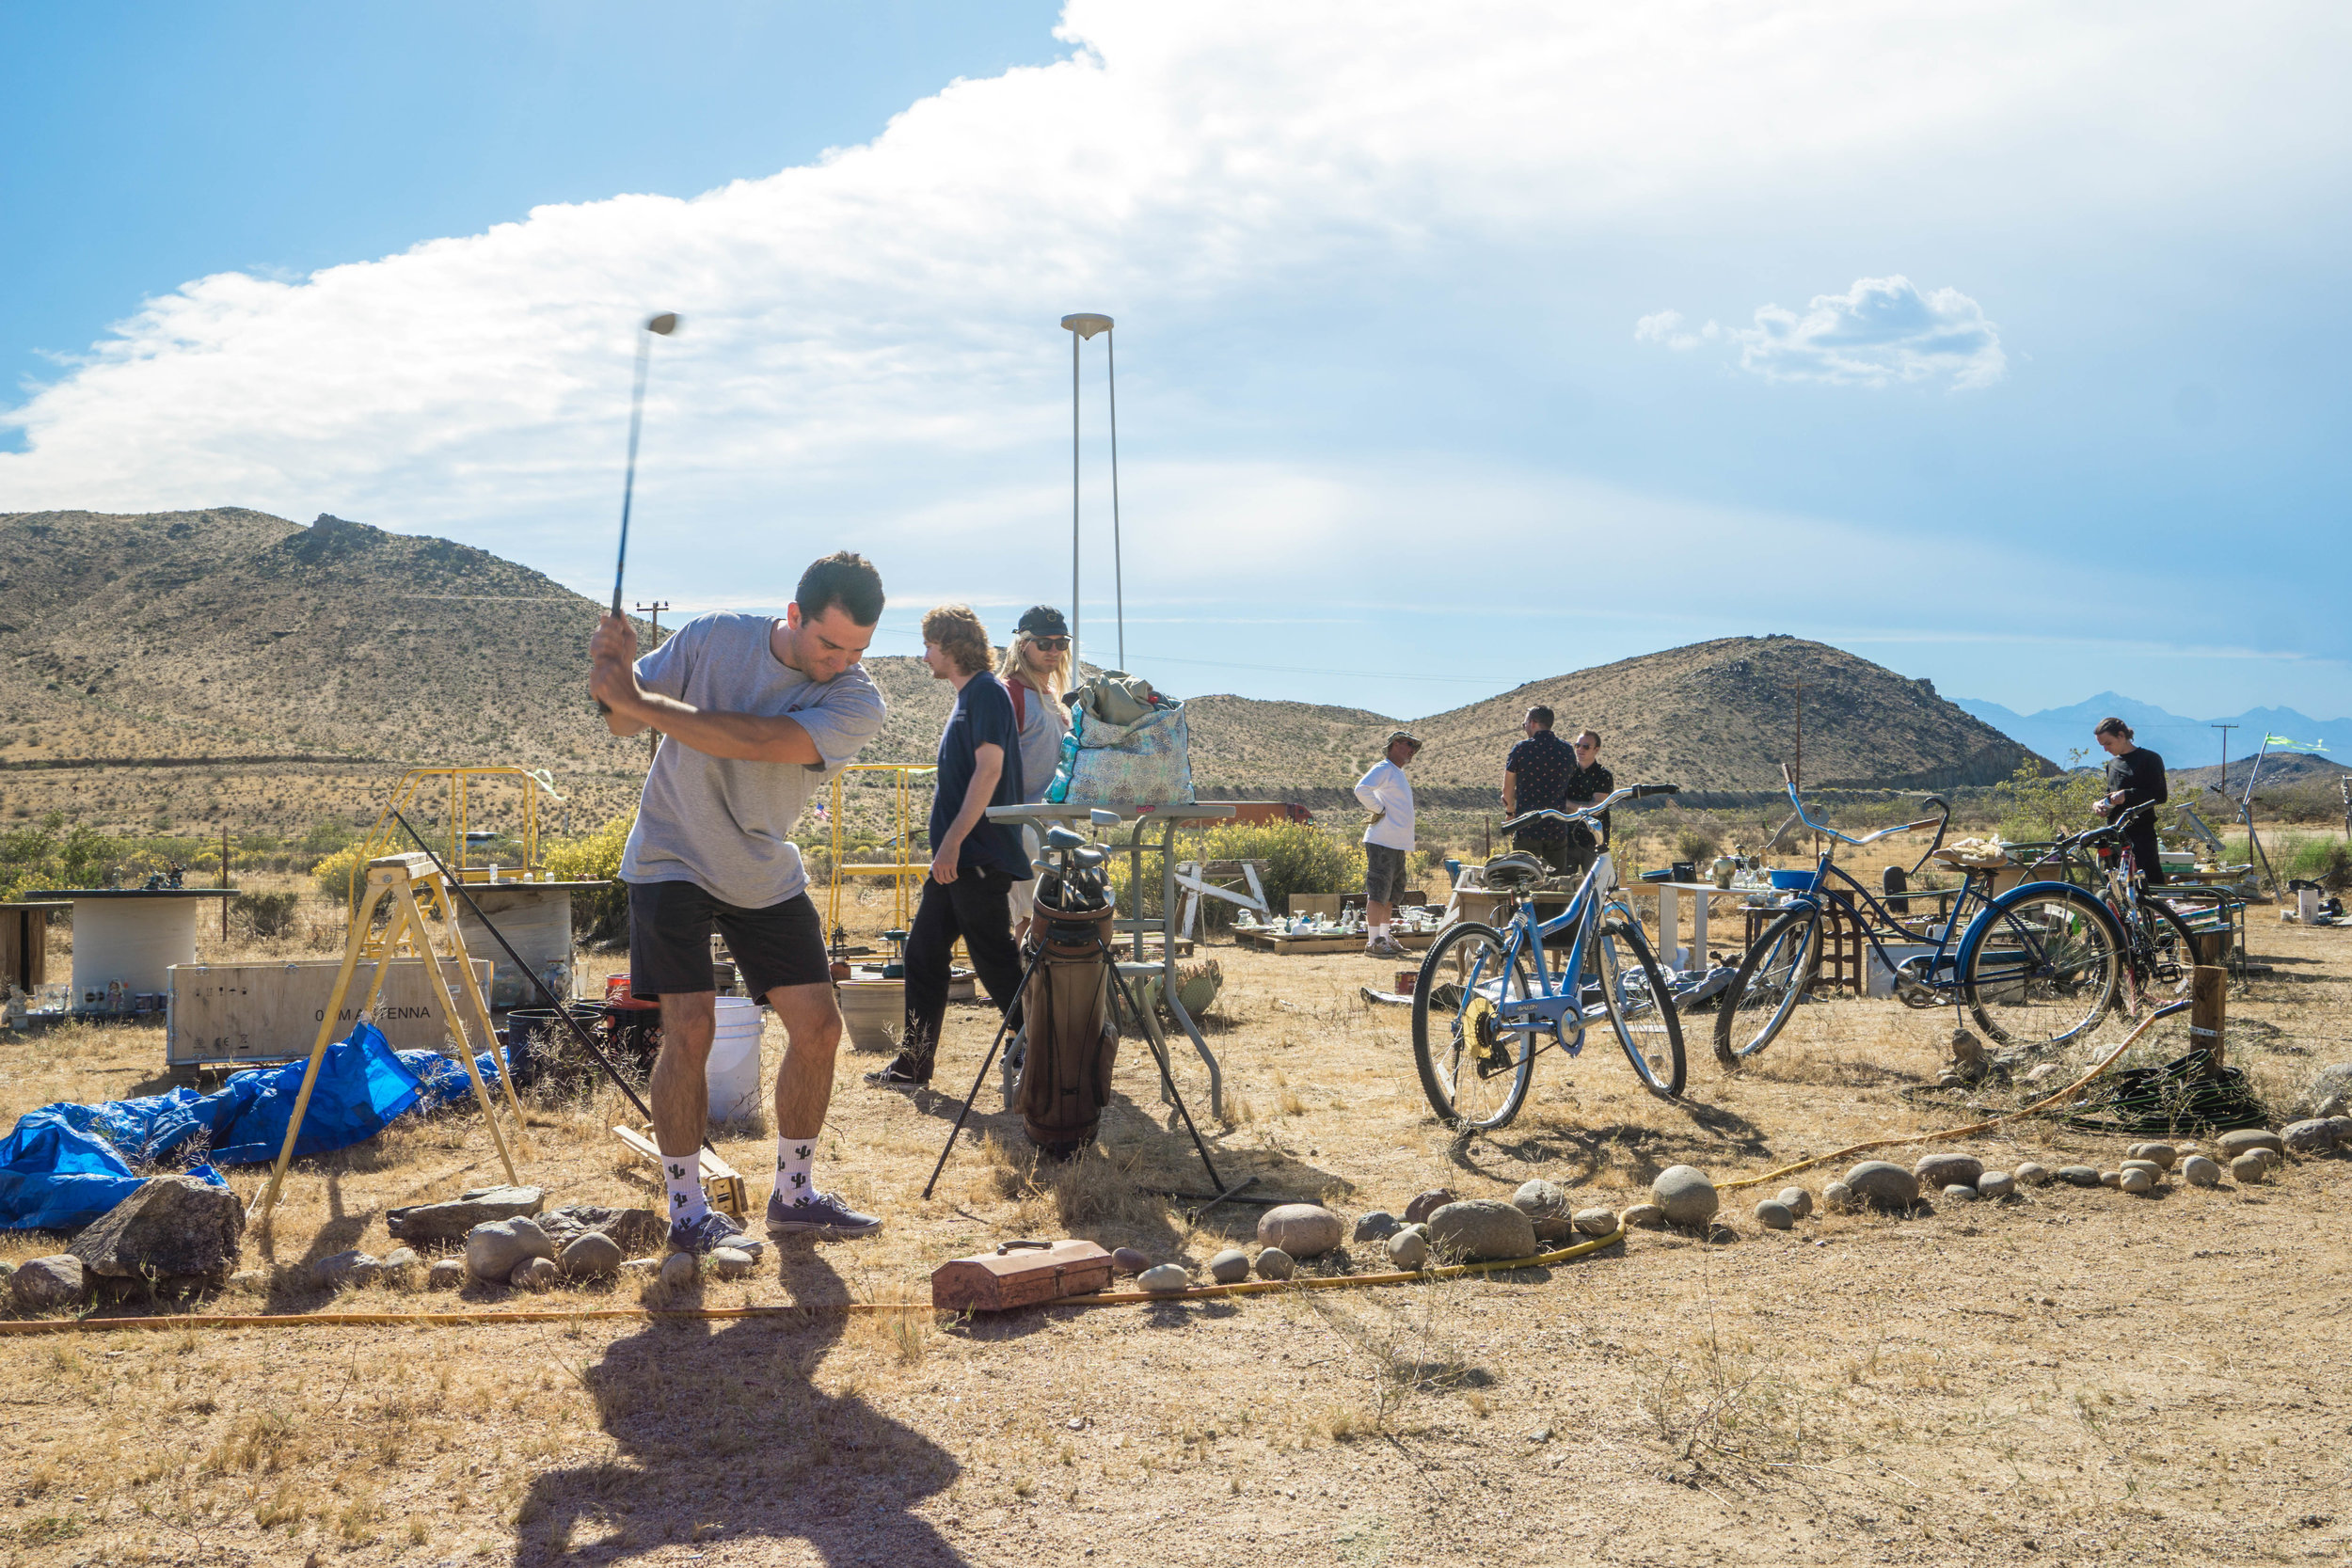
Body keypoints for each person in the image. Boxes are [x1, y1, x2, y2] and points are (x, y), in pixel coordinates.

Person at [588, 552, 888, 1253]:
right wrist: (611, 673)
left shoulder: (858, 700)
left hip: (759, 865)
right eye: (830, 643)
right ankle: (688, 1213)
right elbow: (623, 721)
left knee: (818, 1028)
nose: (843, 660)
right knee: (689, 1028)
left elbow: (759, 741)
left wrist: (634, 698)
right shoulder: (714, 636)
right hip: (672, 855)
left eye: (858, 649)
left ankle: (795, 1195)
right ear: (793, 617)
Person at [867, 605, 1033, 1088]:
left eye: (929, 647)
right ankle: (914, 1064)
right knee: (923, 953)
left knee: (994, 959)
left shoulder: (985, 693)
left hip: (974, 856)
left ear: (951, 646)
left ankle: (1043, 1046)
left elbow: (990, 771)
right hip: (958, 860)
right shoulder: (969, 697)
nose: (924, 657)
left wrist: (953, 843)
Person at [996, 605, 1073, 939]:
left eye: (1061, 642)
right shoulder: (1008, 694)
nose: (1054, 650)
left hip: (1059, 825)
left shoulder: (1057, 700)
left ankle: (1049, 990)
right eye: (1044, 643)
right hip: (1024, 827)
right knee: (1028, 924)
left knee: (1062, 921)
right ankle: (1025, 991)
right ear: (1023, 643)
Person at [1355, 729, 1422, 959]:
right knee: (1378, 892)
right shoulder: (1384, 768)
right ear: (1394, 744)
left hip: (1395, 843)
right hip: (1382, 840)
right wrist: (1380, 809)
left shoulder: (1396, 772)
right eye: (1408, 744)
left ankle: (1383, 936)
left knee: (1391, 894)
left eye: (1414, 746)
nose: (1412, 750)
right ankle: (1373, 941)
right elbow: (1361, 789)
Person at [1501, 705, 1579, 870]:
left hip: (1527, 828)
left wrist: (1510, 812)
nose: (1525, 728)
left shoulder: (1521, 749)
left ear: (1533, 723)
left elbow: (1507, 789)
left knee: (1525, 882)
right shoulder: (1566, 750)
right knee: (1557, 884)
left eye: (1525, 724)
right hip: (1557, 827)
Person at [2092, 717, 2168, 885]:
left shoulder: (2149, 759)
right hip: (2114, 834)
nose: (2105, 749)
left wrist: (2128, 795)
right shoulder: (2112, 764)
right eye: (2102, 745)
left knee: (2148, 885)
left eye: (2108, 743)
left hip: (2141, 835)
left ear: (2121, 736)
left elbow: (2160, 795)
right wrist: (2100, 805)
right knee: (2114, 887)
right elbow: (2110, 795)